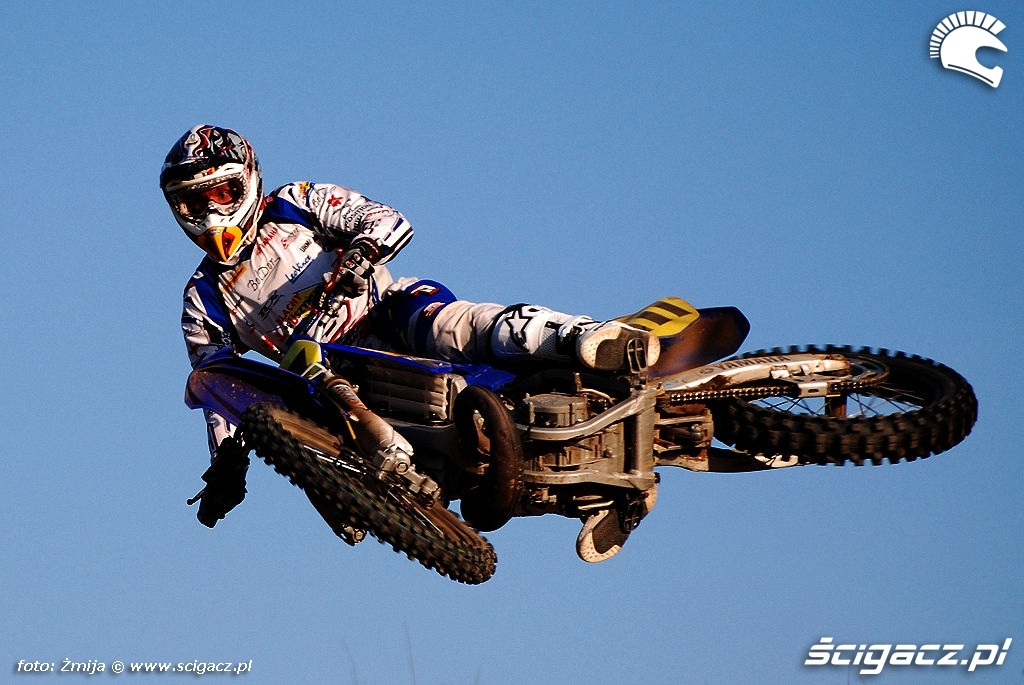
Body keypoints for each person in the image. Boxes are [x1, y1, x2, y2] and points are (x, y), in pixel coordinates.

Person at [163, 124, 659, 557]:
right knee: (459, 481)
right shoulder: (203, 297)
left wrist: (361, 252)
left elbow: (385, 218)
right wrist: (225, 463)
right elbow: (221, 387)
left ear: (248, 177)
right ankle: (600, 497)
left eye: (221, 192)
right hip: (332, 379)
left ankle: (580, 337)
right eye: (194, 202)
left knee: (449, 325)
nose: (211, 211)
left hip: (387, 311)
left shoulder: (296, 203)